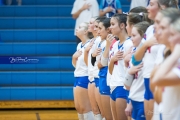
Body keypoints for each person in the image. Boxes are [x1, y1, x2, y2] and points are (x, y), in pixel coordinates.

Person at [108, 14, 133, 120]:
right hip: (112, 86)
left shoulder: (129, 43)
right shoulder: (114, 44)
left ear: (122, 25)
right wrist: (113, 59)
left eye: (113, 24)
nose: (110, 27)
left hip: (122, 87)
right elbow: (110, 70)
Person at [125, 22, 150, 120]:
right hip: (134, 99)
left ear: (143, 37)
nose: (131, 38)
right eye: (131, 35)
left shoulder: (148, 57)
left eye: (134, 35)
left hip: (142, 101)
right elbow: (128, 84)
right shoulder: (134, 55)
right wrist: (130, 102)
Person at [72, 22, 94, 120]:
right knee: (79, 108)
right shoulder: (80, 45)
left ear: (85, 31)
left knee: (86, 109)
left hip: (85, 77)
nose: (77, 28)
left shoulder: (90, 44)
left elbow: (90, 65)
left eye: (80, 27)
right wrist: (73, 57)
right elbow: (77, 66)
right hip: (77, 76)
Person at [84, 17, 102, 120]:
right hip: (91, 77)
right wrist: (87, 52)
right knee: (95, 110)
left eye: (93, 24)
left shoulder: (99, 41)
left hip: (97, 77)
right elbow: (89, 64)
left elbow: (98, 62)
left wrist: (92, 56)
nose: (90, 26)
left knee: (99, 111)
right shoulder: (92, 41)